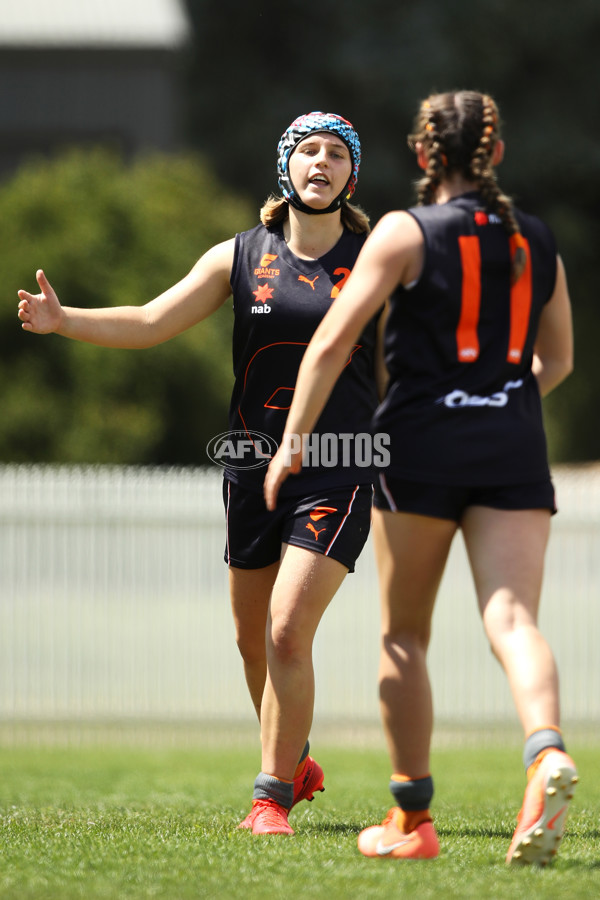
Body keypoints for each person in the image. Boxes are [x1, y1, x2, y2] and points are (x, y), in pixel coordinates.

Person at [18, 112, 383, 836]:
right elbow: (153, 320)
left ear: (352, 175)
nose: (322, 161)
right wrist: (67, 321)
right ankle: (295, 758)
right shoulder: (241, 256)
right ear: (285, 167)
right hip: (251, 470)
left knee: (285, 631)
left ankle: (269, 797)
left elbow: (421, 352)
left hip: (339, 469)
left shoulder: (377, 260)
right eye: (307, 150)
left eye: (336, 153)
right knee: (253, 640)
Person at [264, 91, 577, 865]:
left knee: (404, 634)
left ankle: (413, 821)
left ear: (422, 155)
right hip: (512, 444)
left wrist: (292, 442)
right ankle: (545, 751)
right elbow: (560, 359)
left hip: (419, 449)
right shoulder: (536, 239)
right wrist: (496, 405)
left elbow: (333, 343)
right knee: (513, 622)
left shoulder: (403, 231)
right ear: (495, 154)